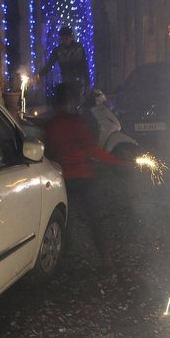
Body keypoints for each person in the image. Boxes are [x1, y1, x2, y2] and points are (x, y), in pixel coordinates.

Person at [43, 84, 128, 274]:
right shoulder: (77, 123)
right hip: (86, 178)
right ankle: (106, 259)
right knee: (95, 219)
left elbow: (48, 153)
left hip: (65, 180)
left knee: (64, 219)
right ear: (70, 102)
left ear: (55, 104)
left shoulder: (51, 126)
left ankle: (64, 258)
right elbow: (93, 149)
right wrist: (118, 162)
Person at [37, 26, 90, 103]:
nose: (65, 41)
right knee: (67, 102)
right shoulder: (58, 50)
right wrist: (40, 75)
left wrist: (87, 83)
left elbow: (84, 65)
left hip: (77, 81)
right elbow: (50, 64)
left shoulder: (79, 48)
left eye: (66, 38)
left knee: (76, 101)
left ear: (71, 37)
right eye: (62, 39)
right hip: (66, 80)